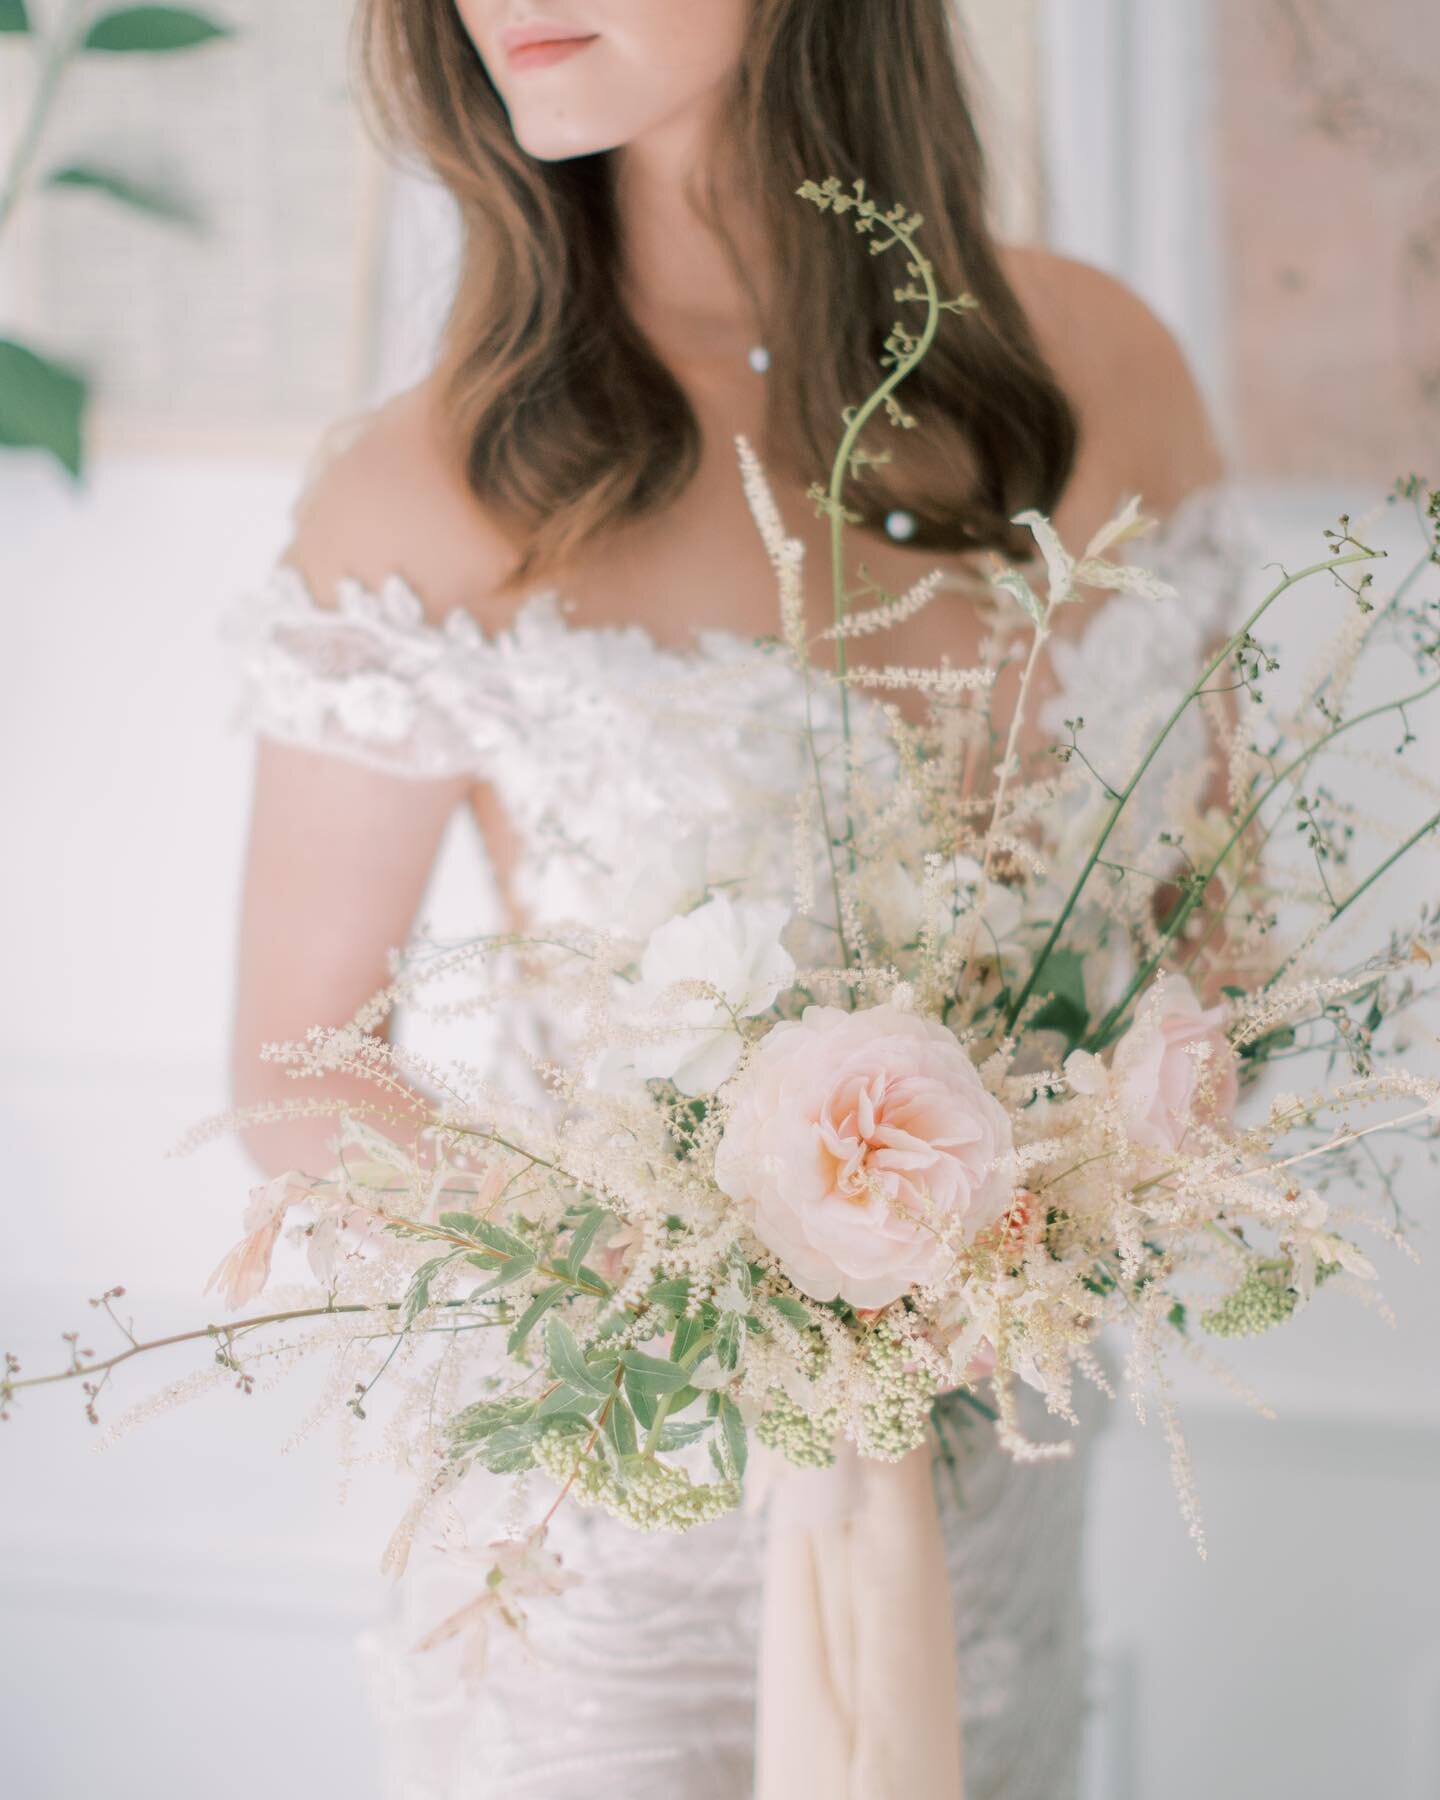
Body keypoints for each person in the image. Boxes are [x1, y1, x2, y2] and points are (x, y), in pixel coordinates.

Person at [224, 4, 1246, 1795]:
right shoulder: (446, 479)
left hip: (1003, 1490)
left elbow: (1207, 927)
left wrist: (1076, 1200)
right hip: (629, 1546)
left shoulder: (1109, 367)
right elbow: (305, 1074)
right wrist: (702, 1286)